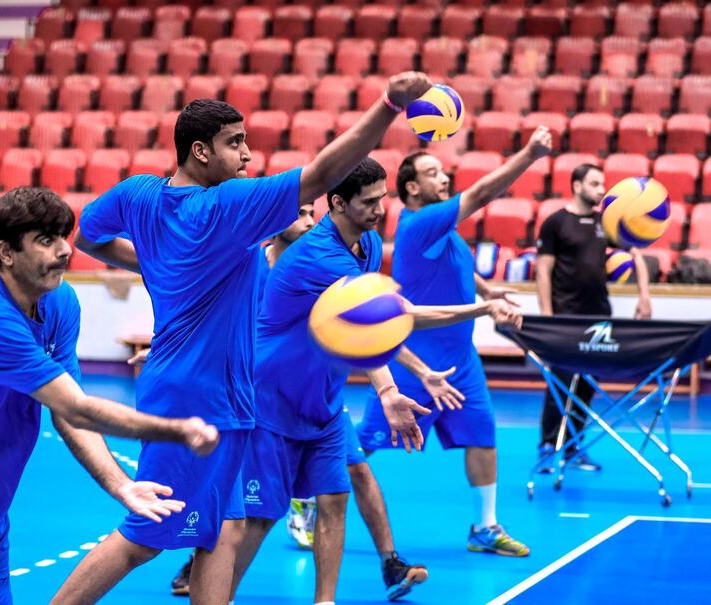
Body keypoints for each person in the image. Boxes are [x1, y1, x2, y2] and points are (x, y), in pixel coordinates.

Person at [50, 72, 435, 605]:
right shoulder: (224, 207)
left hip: (227, 400)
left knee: (222, 533)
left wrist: (152, 266)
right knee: (145, 539)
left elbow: (87, 232)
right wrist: (390, 104)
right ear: (201, 151)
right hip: (191, 401)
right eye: (237, 144)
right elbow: (323, 173)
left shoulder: (140, 193)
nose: (249, 155)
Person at [228, 158, 523, 605]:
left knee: (336, 497)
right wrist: (482, 310)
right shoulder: (318, 258)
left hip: (323, 397)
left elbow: (370, 326)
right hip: (275, 400)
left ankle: (327, 600)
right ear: (339, 203)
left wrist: (397, 384)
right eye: (368, 201)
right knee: (261, 517)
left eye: (382, 197)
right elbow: (397, 317)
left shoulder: (364, 242)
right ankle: (218, 592)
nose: (380, 209)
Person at [0, 188, 220, 605]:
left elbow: (67, 413)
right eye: (45, 240)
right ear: (5, 252)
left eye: (64, 237)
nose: (64, 251)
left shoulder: (58, 302)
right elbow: (79, 406)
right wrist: (177, 429)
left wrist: (121, 486)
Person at [357, 128, 554, 558]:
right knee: (364, 443)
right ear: (411, 187)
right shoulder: (420, 223)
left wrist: (488, 292)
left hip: (461, 359)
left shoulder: (441, 229)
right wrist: (530, 154)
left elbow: (458, 263)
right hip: (416, 359)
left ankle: (484, 528)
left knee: (483, 435)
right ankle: (307, 502)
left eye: (443, 171)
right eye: (432, 173)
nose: (444, 177)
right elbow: (483, 192)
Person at [168, 203, 316, 597]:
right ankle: (205, 568)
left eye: (313, 212)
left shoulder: (317, 266)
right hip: (248, 394)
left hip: (308, 390)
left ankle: (306, 502)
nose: (309, 221)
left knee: (350, 475)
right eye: (300, 211)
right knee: (240, 499)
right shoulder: (252, 265)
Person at [535, 163, 652, 472]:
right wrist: (547, 314)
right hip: (565, 318)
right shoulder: (556, 223)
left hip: (600, 316)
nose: (602, 189)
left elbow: (636, 254)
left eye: (603, 184)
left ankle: (575, 447)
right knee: (560, 382)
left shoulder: (607, 223)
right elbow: (543, 270)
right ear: (576, 185)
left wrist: (644, 296)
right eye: (595, 183)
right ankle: (548, 445)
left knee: (587, 384)